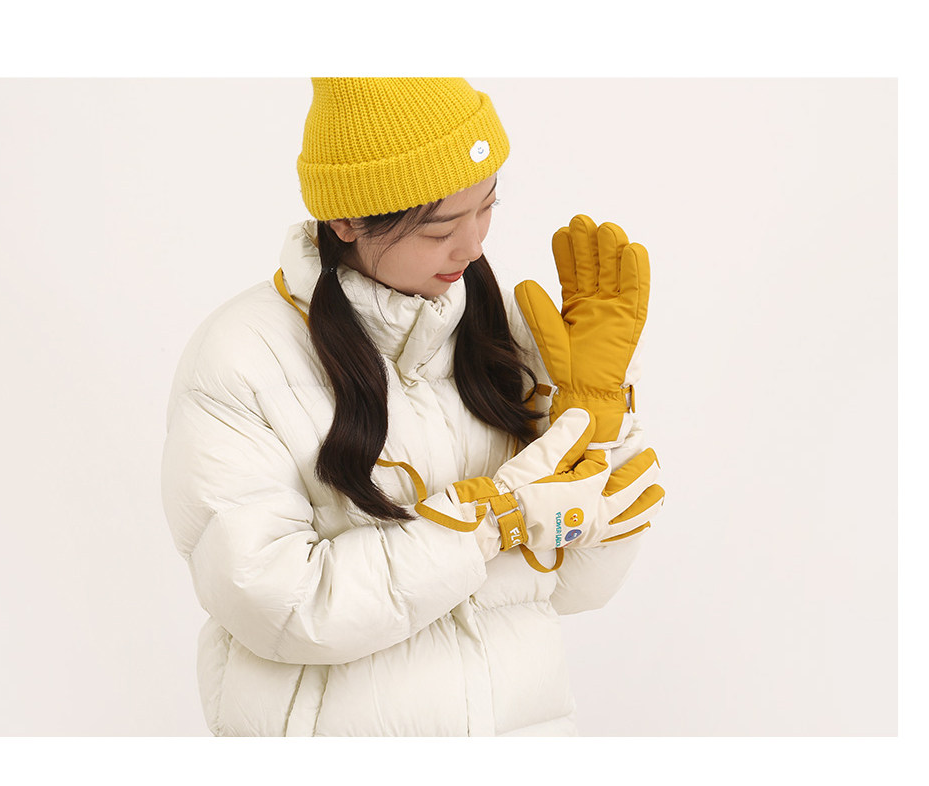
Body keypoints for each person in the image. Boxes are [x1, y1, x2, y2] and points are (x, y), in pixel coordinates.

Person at [161, 78, 664, 737]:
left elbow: (577, 589)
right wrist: (490, 521)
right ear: (346, 221)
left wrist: (598, 420)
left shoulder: (507, 336)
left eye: (488, 206)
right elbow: (278, 605)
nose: (473, 246)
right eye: (440, 228)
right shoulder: (244, 357)